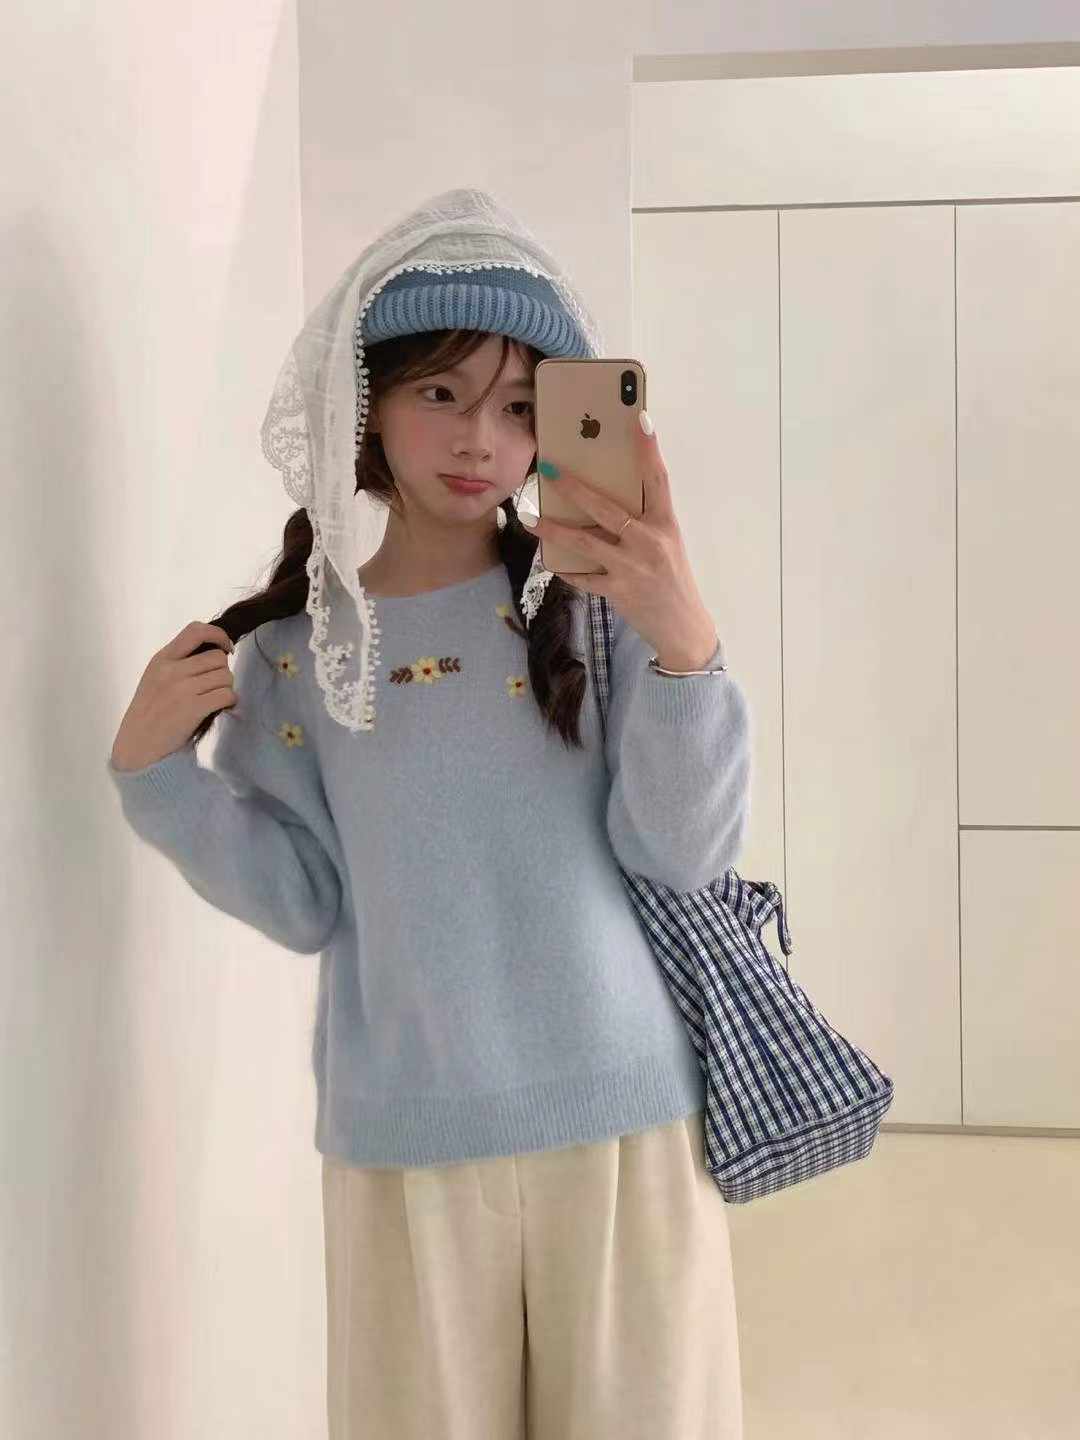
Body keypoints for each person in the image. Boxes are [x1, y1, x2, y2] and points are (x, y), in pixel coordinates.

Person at [105, 187, 749, 1440]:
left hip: (625, 1127)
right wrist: (158, 778)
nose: (479, 439)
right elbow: (306, 902)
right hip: (408, 1143)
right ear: (368, 404)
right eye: (440, 392)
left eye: (520, 407)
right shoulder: (297, 655)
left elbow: (682, 853)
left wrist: (686, 645)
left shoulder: (600, 610)